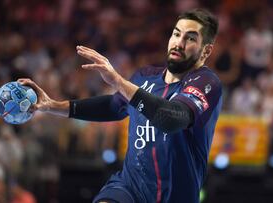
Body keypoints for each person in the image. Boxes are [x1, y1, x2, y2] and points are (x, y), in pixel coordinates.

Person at [18, 8, 223, 203]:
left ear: (206, 51)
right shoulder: (145, 77)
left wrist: (117, 80)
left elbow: (170, 119)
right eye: (176, 34)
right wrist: (52, 105)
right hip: (129, 189)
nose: (179, 43)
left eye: (190, 38)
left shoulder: (206, 83)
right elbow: (113, 106)